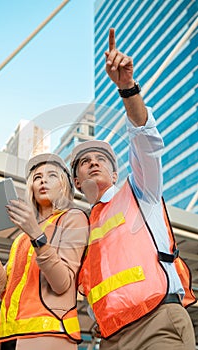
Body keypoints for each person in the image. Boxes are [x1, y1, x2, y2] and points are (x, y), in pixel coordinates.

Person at [70, 28, 196, 350]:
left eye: (102, 159)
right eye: (85, 161)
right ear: (76, 181)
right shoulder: (81, 228)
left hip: (157, 323)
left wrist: (127, 89)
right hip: (110, 338)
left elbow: (145, 141)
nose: (93, 163)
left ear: (115, 173)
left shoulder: (140, 190)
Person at [0, 153, 89, 350]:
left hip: (49, 332)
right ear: (31, 189)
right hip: (8, 336)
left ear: (64, 185)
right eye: (37, 177)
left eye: (52, 175)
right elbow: (2, 290)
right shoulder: (21, 237)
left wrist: (36, 234)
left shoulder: (73, 218)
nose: (43, 180)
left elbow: (62, 284)